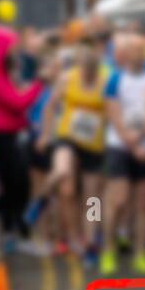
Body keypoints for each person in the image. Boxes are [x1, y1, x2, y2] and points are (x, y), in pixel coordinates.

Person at [30, 41, 109, 266]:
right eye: (85, 71)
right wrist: (45, 135)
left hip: (93, 144)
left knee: (92, 198)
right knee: (63, 174)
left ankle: (90, 243)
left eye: (92, 72)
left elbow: (113, 109)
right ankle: (41, 201)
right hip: (68, 136)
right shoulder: (67, 79)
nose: (88, 75)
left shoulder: (105, 81)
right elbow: (49, 107)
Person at [0, 25, 46, 250]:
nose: (14, 53)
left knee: (16, 187)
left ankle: (9, 229)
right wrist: (40, 84)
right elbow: (18, 103)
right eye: (10, 48)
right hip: (3, 137)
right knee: (15, 188)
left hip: (12, 134)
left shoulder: (0, 73)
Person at [100, 34, 145, 275]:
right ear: (125, 55)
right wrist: (132, 143)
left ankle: (140, 253)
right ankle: (108, 248)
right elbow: (113, 115)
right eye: (134, 50)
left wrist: (144, 137)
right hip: (119, 145)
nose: (140, 54)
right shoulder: (115, 79)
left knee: (143, 204)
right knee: (119, 200)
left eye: (143, 49)